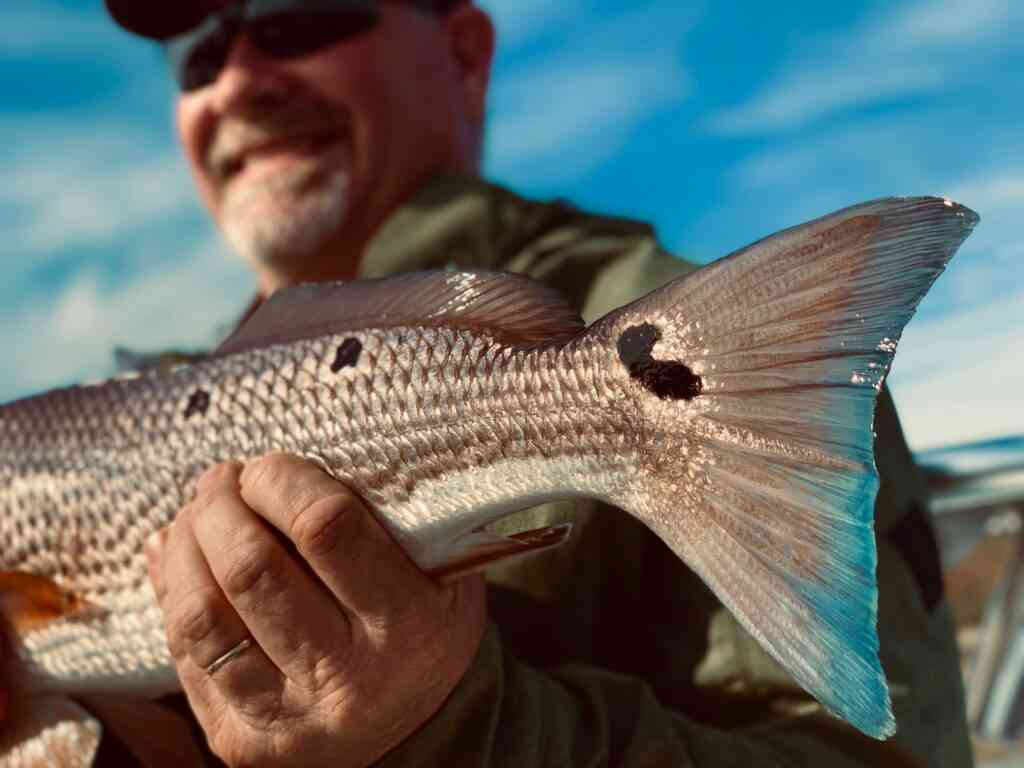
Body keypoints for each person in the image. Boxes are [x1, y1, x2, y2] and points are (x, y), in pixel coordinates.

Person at [99, 1, 974, 766]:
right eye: (196, 59)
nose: (239, 79)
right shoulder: (154, 396)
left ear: (467, 53)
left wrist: (454, 731)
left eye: (303, 17)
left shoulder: (684, 346)